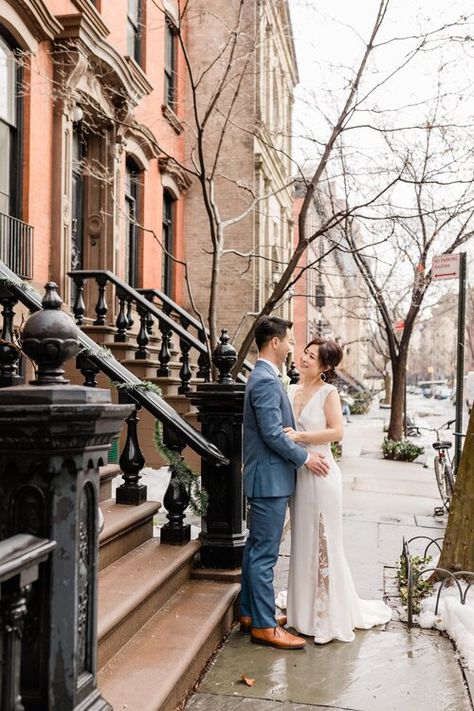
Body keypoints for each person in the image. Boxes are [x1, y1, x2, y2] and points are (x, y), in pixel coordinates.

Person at [278, 337, 392, 643]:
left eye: (311, 357)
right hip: (300, 472)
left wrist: (301, 436)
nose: (303, 358)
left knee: (323, 541)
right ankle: (302, 612)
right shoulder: (290, 389)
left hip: (322, 471)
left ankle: (326, 612)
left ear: (325, 367)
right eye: (305, 352)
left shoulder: (328, 392)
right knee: (303, 540)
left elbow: (337, 431)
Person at [240, 316, 330, 650]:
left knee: (255, 549)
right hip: (269, 480)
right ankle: (264, 626)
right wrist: (305, 458)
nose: (293, 346)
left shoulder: (266, 375)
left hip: (268, 478)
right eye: (290, 340)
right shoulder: (264, 379)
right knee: (264, 554)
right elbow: (272, 433)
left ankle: (251, 613)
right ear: (274, 342)